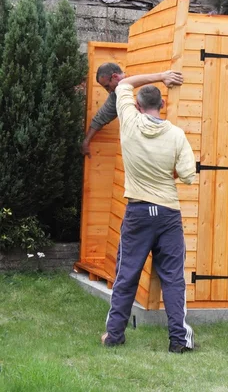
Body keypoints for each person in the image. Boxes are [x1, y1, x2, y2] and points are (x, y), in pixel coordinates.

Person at [101, 70, 197, 354]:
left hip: (138, 213)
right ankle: (178, 341)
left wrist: (162, 76)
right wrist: (168, 175)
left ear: (138, 106)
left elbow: (125, 83)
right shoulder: (177, 135)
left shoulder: (129, 123)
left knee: (126, 275)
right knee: (173, 278)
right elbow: (188, 175)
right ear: (162, 106)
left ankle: (114, 336)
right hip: (168, 214)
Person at [81, 63, 125, 158]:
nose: (109, 91)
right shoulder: (115, 95)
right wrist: (86, 141)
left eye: (107, 87)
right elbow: (100, 118)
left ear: (115, 76)